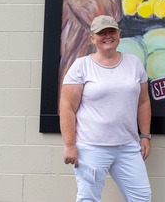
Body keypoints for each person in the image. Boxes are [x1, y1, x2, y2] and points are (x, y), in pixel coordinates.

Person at [60, 15, 152, 202]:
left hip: (127, 146)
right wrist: (69, 145)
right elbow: (67, 107)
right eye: (102, 33)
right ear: (92, 38)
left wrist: (145, 135)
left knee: (142, 198)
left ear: (119, 34)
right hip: (91, 147)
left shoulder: (134, 63)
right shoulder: (81, 66)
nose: (107, 36)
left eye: (111, 31)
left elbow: (143, 102)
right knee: (89, 199)